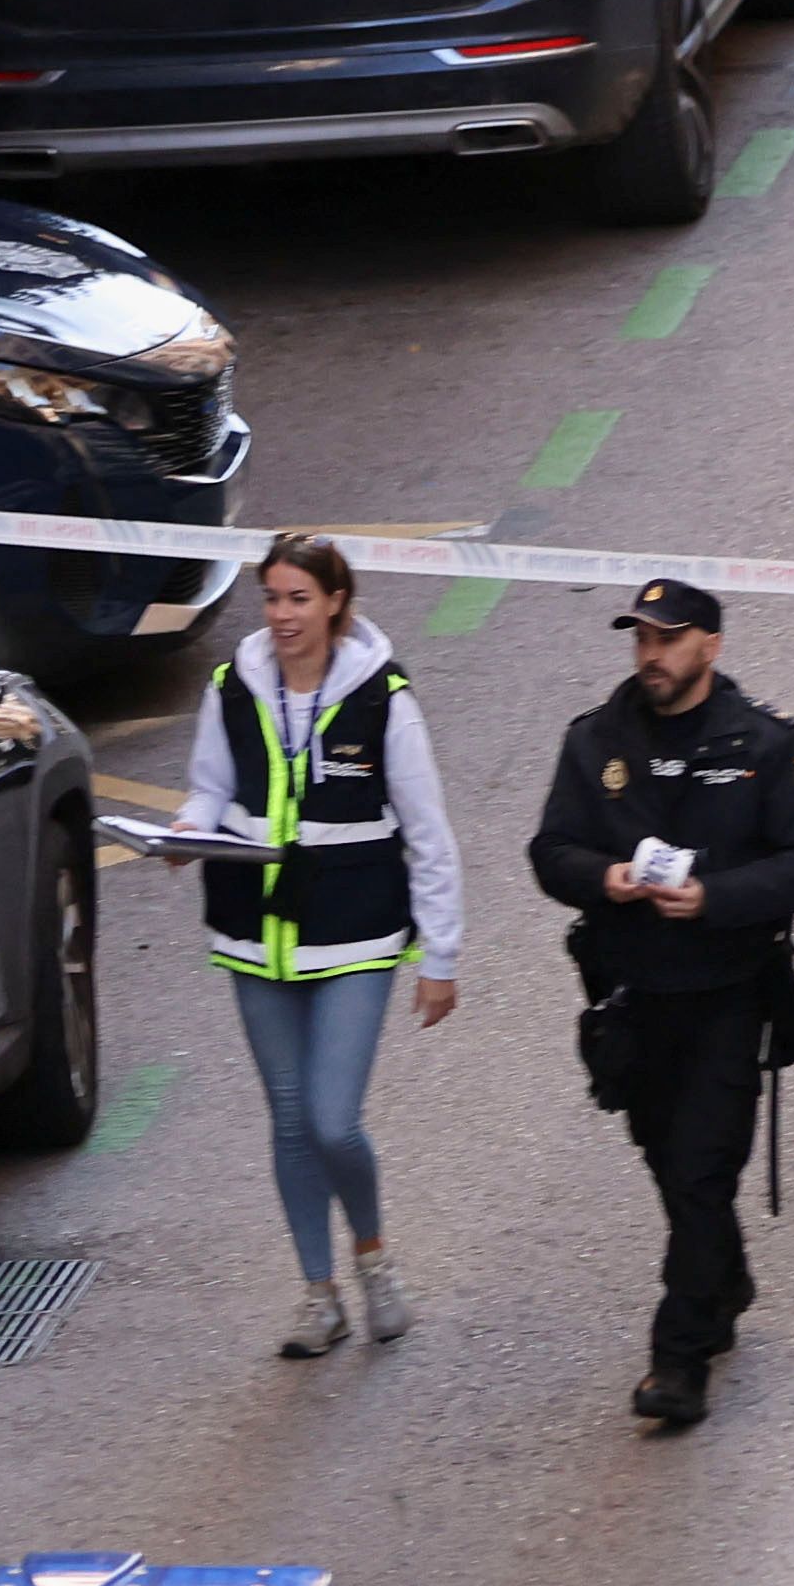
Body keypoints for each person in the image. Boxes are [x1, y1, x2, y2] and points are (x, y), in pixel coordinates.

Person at [527, 574, 794, 1430]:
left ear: (711, 644)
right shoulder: (597, 742)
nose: (650, 654)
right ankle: (724, 1279)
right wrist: (607, 877)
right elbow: (551, 850)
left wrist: (715, 898)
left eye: (667, 638)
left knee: (702, 1172)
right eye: (641, 639)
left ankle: (679, 1358)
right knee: (673, 1167)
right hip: (632, 999)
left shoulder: (768, 744)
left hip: (729, 995)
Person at [187, 533, 465, 1357]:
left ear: (337, 602)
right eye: (271, 598)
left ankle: (373, 1259)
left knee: (332, 1121)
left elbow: (429, 834)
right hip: (255, 939)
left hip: (355, 939)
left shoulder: (385, 698)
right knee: (288, 1120)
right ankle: (318, 1294)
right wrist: (185, 830)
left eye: (299, 599)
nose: (281, 616)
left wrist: (440, 958)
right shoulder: (231, 686)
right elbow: (208, 787)